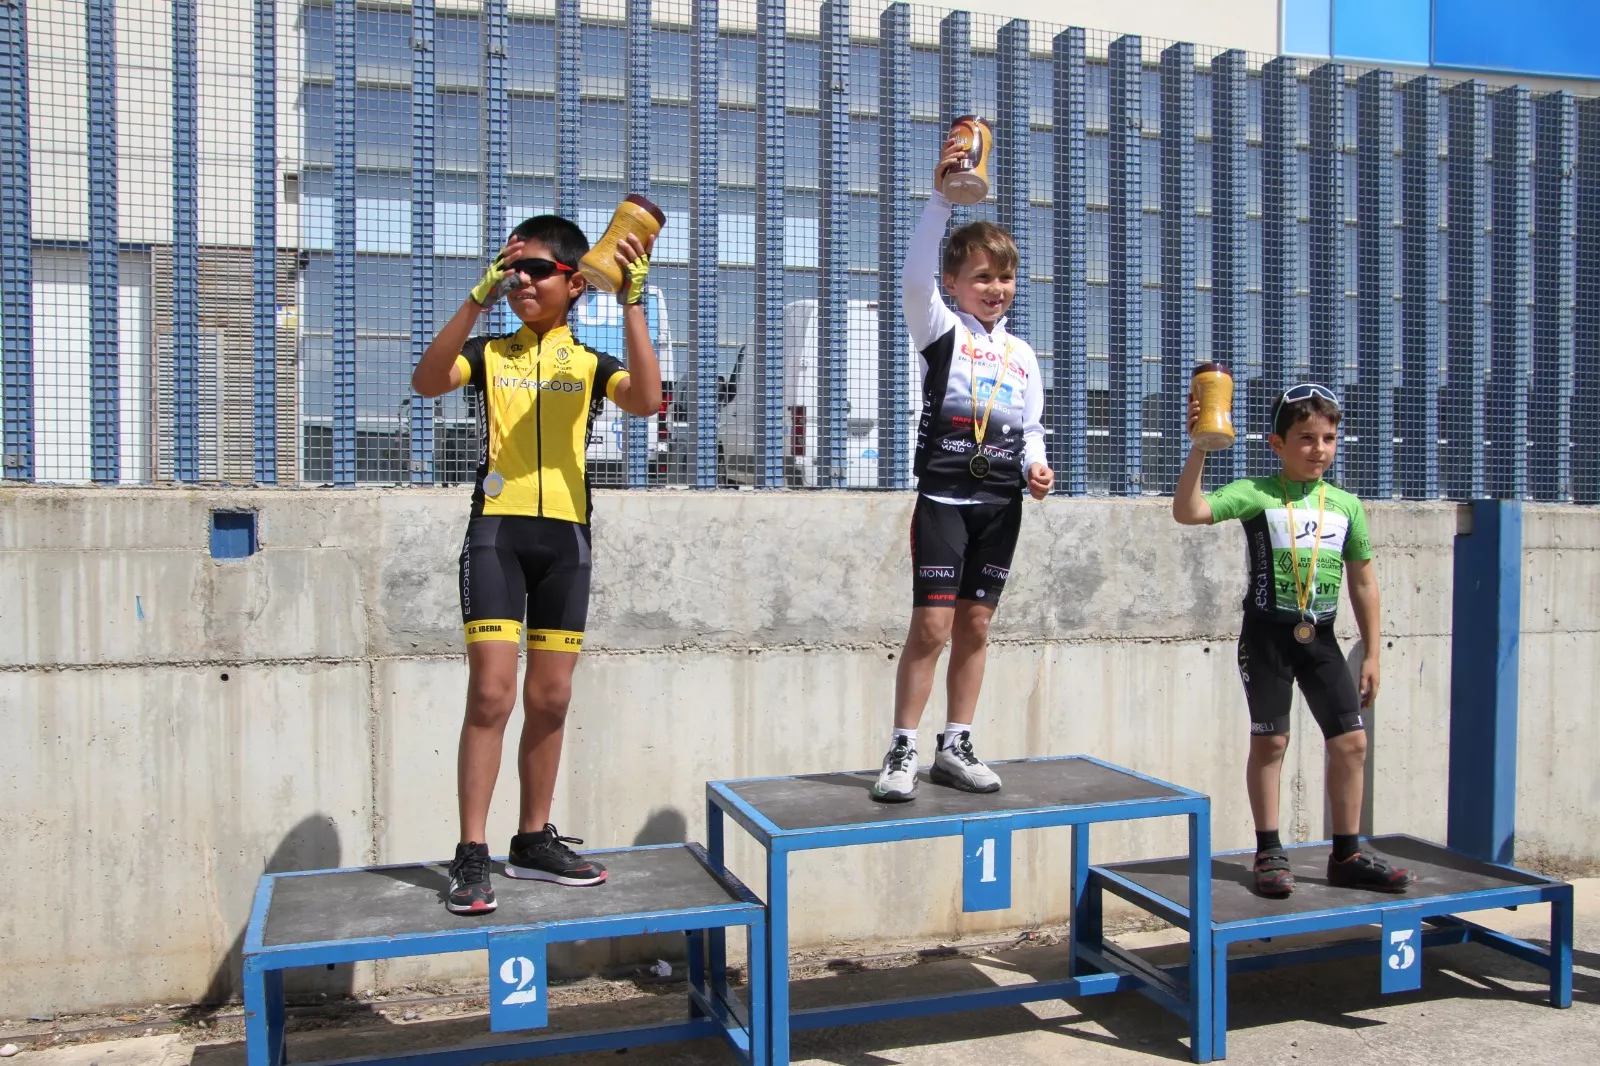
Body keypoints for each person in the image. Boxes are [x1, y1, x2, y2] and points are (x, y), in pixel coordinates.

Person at [411, 215, 661, 914]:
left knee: (551, 699)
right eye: (511, 270)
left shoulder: (588, 362)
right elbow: (428, 379)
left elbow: (646, 401)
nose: (521, 281)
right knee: (492, 694)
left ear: (574, 283)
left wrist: (633, 303)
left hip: (567, 544)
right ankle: (470, 853)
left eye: (536, 271)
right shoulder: (491, 354)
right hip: (498, 535)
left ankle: (532, 840)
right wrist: (476, 298)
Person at [1172, 384, 1414, 896]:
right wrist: (1200, 445)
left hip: (1320, 636)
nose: (1319, 449)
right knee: (1272, 741)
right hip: (1267, 637)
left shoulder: (1347, 505)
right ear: (1277, 444)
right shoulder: (1256, 492)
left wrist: (1372, 652)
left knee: (1351, 743)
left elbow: (1364, 581)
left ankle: (1346, 853)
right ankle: (1269, 852)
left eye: (1328, 438)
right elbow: (1188, 511)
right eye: (1306, 438)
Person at [871, 134, 1055, 803]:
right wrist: (939, 201)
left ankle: (957, 742)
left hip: (1002, 506)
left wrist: (1037, 467)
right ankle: (902, 748)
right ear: (954, 285)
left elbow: (1032, 428)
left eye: (1004, 277)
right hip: (945, 500)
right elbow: (914, 279)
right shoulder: (940, 332)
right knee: (934, 625)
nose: (995, 289)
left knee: (977, 624)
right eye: (981, 277)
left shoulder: (1024, 356)